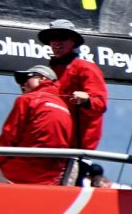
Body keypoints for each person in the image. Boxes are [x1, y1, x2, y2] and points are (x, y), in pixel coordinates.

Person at [39, 19, 108, 181]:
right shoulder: (50, 71)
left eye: (62, 37)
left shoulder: (85, 67)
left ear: (73, 41)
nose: (56, 42)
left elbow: (100, 103)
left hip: (76, 151)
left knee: (65, 192)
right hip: (52, 147)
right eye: (52, 38)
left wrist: (86, 100)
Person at [0, 65, 72, 185]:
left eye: (26, 79)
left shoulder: (27, 99)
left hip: (17, 172)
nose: (22, 85)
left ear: (42, 78)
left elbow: (9, 137)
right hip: (48, 180)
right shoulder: (66, 108)